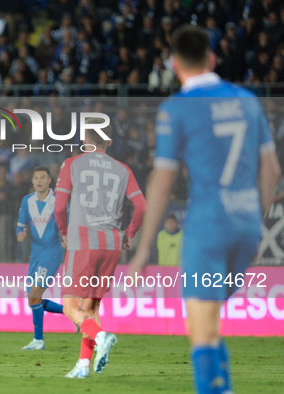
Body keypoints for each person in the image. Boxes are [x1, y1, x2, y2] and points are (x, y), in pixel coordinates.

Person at [128, 25, 281, 394]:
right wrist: (256, 226)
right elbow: (272, 170)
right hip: (245, 223)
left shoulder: (176, 108)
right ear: (212, 58)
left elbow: (162, 180)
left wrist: (143, 249)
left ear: (174, 64)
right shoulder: (247, 100)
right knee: (209, 323)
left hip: (207, 227)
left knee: (201, 331)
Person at [54, 120, 146, 378]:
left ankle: (102, 336)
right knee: (91, 307)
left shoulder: (72, 164)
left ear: (85, 141)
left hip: (83, 241)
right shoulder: (123, 169)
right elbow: (142, 207)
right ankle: (83, 365)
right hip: (112, 244)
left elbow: (60, 207)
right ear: (109, 142)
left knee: (70, 306)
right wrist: (129, 234)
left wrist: (63, 232)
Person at [16, 166, 64, 350]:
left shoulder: (58, 201)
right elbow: (21, 223)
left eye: (43, 177)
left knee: (34, 295)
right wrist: (20, 233)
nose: (39, 181)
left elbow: (67, 222)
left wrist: (67, 237)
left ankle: (38, 341)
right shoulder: (27, 201)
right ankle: (75, 313)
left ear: (49, 181)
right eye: (36, 177)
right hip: (35, 254)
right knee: (33, 299)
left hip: (52, 253)